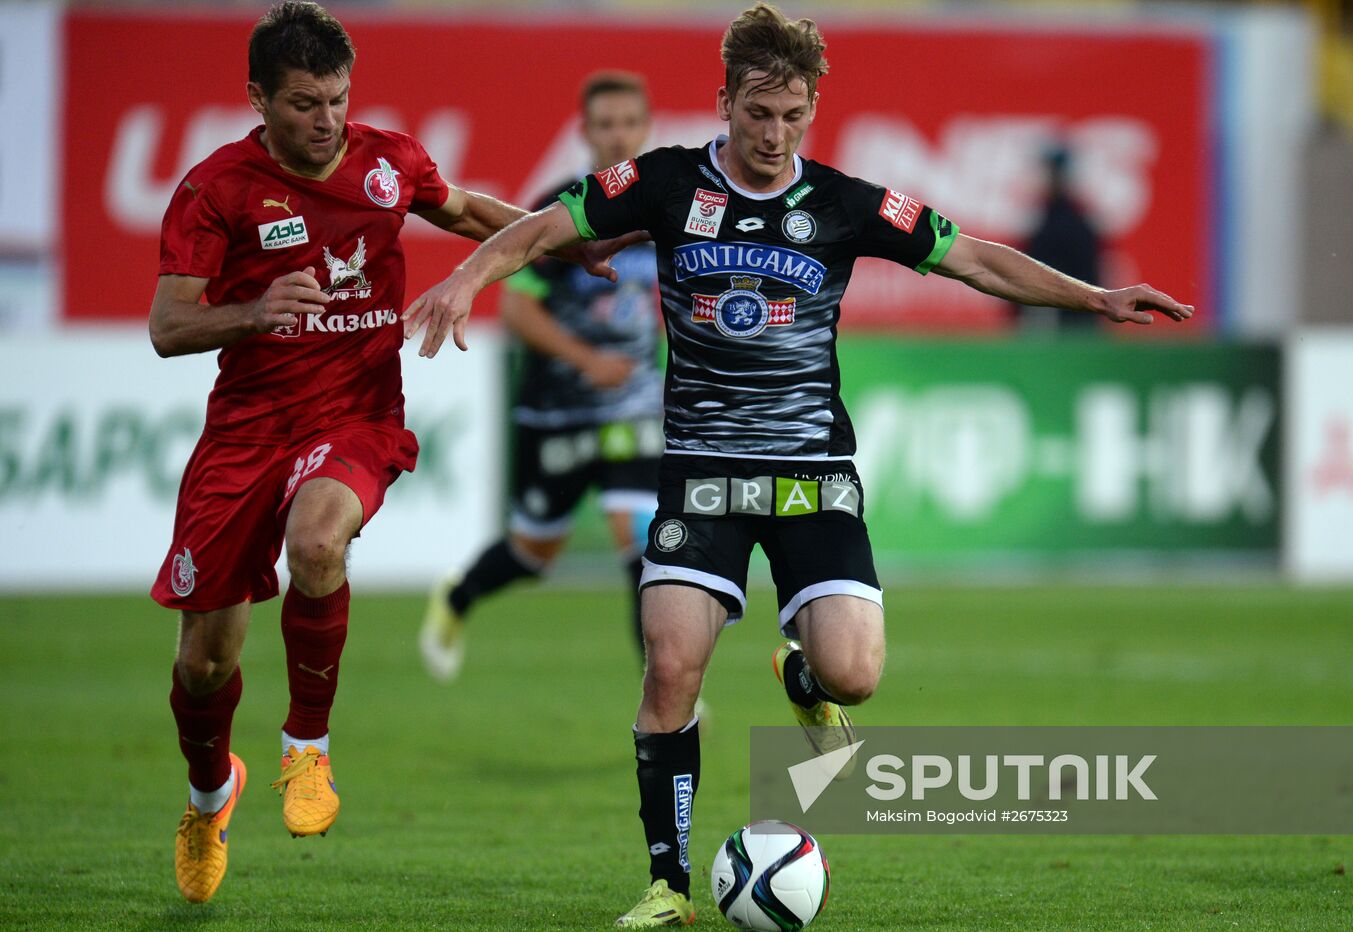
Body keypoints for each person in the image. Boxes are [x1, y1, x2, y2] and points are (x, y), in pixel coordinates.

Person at [403, 4, 1192, 926]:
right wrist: (465, 279)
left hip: (810, 472)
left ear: (812, 110)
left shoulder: (847, 205)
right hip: (700, 468)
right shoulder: (660, 184)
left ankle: (805, 679)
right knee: (669, 669)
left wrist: (1095, 296)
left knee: (855, 675)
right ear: (725, 101)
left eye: (792, 117)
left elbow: (973, 258)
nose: (774, 137)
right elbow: (539, 231)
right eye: (757, 115)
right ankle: (668, 885)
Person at [149, 1, 629, 905]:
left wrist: (562, 243)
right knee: (204, 663)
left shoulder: (387, 160)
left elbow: (462, 211)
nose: (327, 120)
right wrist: (253, 311)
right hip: (247, 431)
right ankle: (209, 795)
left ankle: (307, 750)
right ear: (257, 99)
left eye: (336, 99)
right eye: (303, 104)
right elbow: (168, 324)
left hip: (357, 413)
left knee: (320, 542)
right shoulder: (215, 190)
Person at [419, 71, 662, 682]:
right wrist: (588, 361)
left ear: (645, 127)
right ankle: (458, 595)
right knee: (533, 554)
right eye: (604, 125)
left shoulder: (669, 205)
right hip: (556, 411)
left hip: (634, 407)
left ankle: (667, 688)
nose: (617, 136)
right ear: (585, 132)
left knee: (644, 543)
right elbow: (519, 310)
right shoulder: (565, 210)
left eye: (627, 123)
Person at [1015, 143, 1105, 334]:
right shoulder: (1049, 216)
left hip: (1066, 322)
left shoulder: (1067, 223)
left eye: (1046, 171)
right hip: (1066, 318)